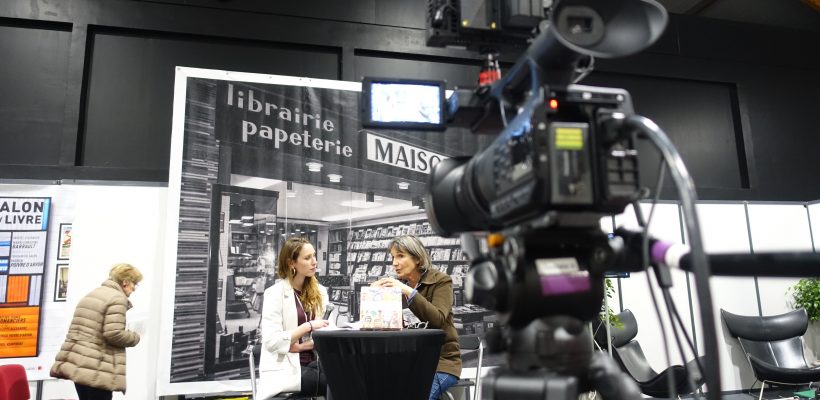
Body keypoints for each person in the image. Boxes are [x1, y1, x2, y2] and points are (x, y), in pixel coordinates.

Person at [372, 234, 462, 400]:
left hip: (441, 363)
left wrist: (409, 292)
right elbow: (383, 325)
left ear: (418, 259)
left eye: (400, 256)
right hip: (407, 362)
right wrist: (374, 296)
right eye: (392, 257)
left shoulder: (442, 281)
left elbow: (438, 319)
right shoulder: (396, 288)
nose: (394, 263)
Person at [50, 263, 143, 400]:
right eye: (134, 283)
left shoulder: (93, 294)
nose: (134, 288)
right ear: (125, 282)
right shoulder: (117, 298)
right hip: (96, 368)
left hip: (80, 365)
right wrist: (135, 337)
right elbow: (113, 333)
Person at [258, 236, 330, 399]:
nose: (314, 262)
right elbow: (271, 342)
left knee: (348, 374)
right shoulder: (274, 294)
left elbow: (324, 332)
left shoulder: (320, 292)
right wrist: (308, 326)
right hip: (285, 368)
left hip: (314, 362)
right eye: (307, 257)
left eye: (314, 256)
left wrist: (300, 346)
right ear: (291, 263)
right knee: (337, 382)